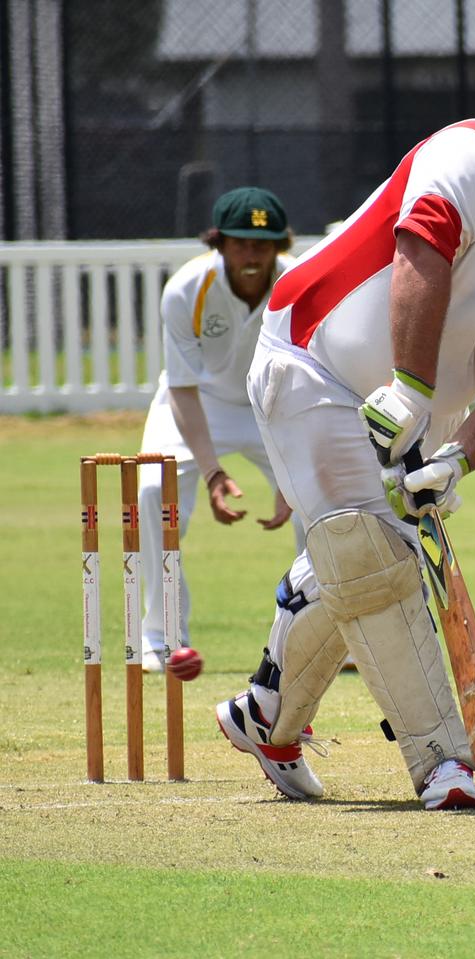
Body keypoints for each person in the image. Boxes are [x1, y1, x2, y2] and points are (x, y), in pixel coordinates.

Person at [216, 103, 475, 809]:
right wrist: (408, 389)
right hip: (313, 356)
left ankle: (266, 716)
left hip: (424, 413)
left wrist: (457, 459)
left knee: (366, 563)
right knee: (368, 551)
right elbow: (423, 254)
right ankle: (441, 761)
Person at [138, 186, 303, 672]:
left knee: (321, 503)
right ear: (219, 243)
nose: (251, 254)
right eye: (240, 243)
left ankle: (322, 635)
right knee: (152, 492)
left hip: (270, 402)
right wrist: (212, 473)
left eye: (263, 244)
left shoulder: (299, 283)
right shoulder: (187, 289)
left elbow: (308, 376)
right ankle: (161, 635)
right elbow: (183, 389)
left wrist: (292, 476)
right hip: (197, 402)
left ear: (279, 245)